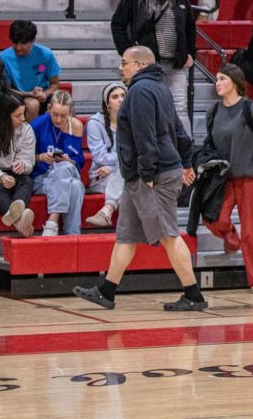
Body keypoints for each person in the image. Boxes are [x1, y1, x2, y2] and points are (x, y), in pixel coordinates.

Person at [73, 46, 205, 312]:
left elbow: (146, 138)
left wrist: (147, 174)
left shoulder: (141, 92)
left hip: (152, 175)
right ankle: (107, 291)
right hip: (142, 175)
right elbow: (178, 130)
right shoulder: (161, 89)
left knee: (168, 234)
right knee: (126, 235)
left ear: (140, 65)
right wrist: (187, 160)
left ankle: (194, 295)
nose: (121, 68)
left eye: (125, 63)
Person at [203, 65, 253, 292]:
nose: (217, 83)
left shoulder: (251, 109)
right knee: (213, 218)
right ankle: (231, 240)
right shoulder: (213, 112)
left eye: (222, 79)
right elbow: (209, 144)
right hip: (224, 178)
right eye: (217, 79)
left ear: (236, 83)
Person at [110, 0, 197, 134]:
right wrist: (128, 52)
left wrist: (191, 53)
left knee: (180, 108)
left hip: (176, 63)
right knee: (148, 108)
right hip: (147, 66)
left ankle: (186, 152)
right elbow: (117, 23)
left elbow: (189, 27)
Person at [0, 93, 36, 236]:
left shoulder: (27, 129)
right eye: (17, 115)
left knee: (26, 181)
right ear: (4, 115)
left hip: (13, 172)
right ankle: (20, 221)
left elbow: (28, 160)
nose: (22, 119)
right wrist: (1, 176)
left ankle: (16, 217)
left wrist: (22, 165)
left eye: (23, 114)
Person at [28, 90, 85, 236]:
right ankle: (73, 236)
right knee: (76, 187)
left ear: (70, 113)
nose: (58, 119)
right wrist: (40, 157)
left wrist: (68, 160)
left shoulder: (76, 126)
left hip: (67, 173)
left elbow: (79, 161)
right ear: (48, 109)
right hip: (42, 177)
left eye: (64, 116)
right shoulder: (38, 124)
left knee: (65, 166)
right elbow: (24, 157)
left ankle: (52, 221)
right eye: (55, 114)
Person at [0, 19, 60, 121]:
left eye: (23, 43)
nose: (18, 47)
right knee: (32, 104)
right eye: (15, 43)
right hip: (17, 96)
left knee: (65, 105)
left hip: (43, 95)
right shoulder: (4, 57)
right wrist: (28, 94)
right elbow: (7, 89)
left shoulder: (46, 54)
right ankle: (29, 137)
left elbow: (54, 84)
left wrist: (45, 94)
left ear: (32, 40)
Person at [85, 83, 125, 228]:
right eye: (115, 97)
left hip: (119, 173)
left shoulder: (132, 121)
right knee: (130, 179)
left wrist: (112, 167)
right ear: (107, 103)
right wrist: (116, 165)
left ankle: (107, 210)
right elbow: (100, 157)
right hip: (101, 177)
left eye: (123, 96)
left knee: (128, 176)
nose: (120, 99)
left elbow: (136, 155)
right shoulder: (95, 123)